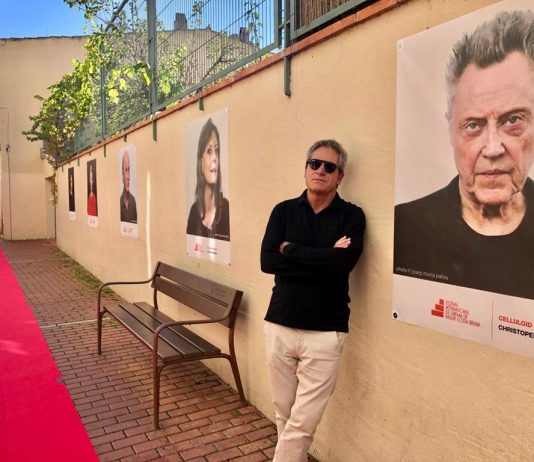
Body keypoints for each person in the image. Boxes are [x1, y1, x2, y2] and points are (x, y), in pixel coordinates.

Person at [394, 9, 534, 300]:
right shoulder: (408, 225)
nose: (493, 148)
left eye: (513, 120)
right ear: (450, 128)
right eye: (473, 125)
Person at [260, 139, 365, 461]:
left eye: (329, 167)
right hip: (280, 324)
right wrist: (324, 256)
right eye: (314, 164)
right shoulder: (283, 211)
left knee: (302, 424)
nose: (320, 170)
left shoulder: (352, 216)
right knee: (283, 412)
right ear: (306, 169)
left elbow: (341, 266)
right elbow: (267, 261)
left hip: (325, 332)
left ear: (340, 176)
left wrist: (290, 250)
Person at [186, 118, 230, 241]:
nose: (214, 157)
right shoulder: (194, 212)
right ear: (201, 162)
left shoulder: (226, 209)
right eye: (209, 151)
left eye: (217, 150)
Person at [120, 150, 137, 223]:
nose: (128, 177)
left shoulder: (133, 201)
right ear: (122, 174)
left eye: (129, 170)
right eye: (126, 170)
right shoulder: (120, 202)